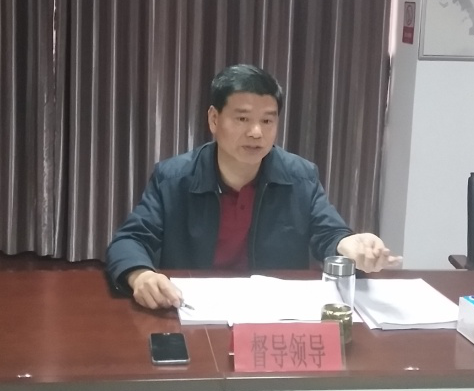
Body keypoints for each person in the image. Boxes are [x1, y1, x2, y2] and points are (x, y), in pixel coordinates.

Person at [106, 64, 401, 309]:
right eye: (243, 118)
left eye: (267, 121)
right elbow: (129, 240)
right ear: (214, 119)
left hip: (273, 313)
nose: (256, 132)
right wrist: (140, 276)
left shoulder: (300, 176)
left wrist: (348, 245)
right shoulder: (174, 178)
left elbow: (330, 233)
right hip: (194, 310)